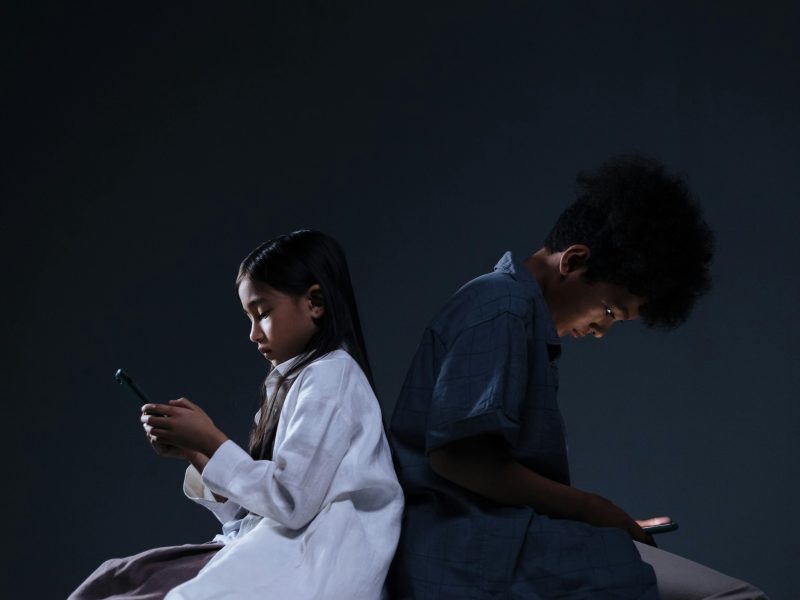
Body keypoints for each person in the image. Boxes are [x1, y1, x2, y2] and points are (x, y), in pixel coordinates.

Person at [387, 155, 767, 599]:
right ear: (574, 260)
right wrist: (591, 510)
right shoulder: (500, 306)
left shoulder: (513, 312)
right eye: (609, 311)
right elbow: (459, 456)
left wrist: (596, 520)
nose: (602, 331)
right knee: (736, 598)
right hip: (474, 553)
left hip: (494, 544)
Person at [70, 230, 404, 600]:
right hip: (287, 551)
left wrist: (211, 439)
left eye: (262, 314)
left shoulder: (331, 376)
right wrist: (195, 453)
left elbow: (290, 503)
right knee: (120, 578)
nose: (252, 334)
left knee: (129, 586)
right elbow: (259, 514)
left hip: (318, 567)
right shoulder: (296, 380)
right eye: (249, 317)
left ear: (315, 302)